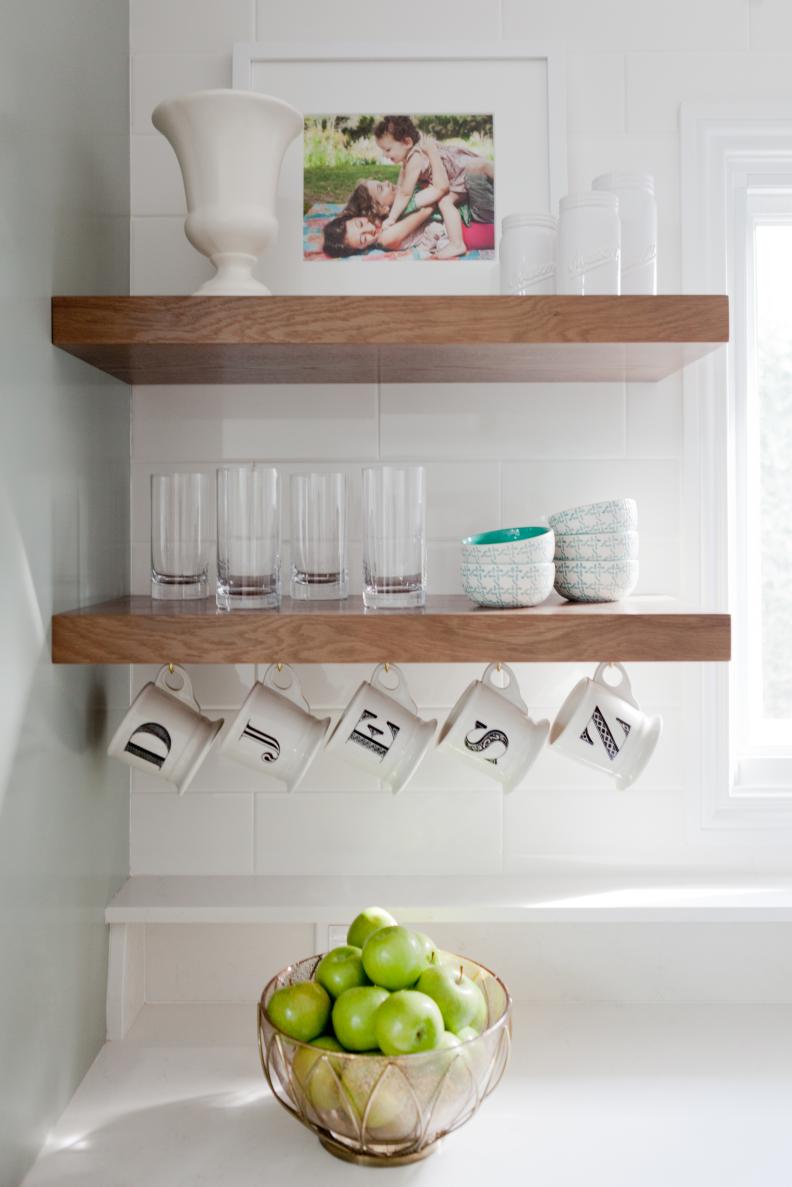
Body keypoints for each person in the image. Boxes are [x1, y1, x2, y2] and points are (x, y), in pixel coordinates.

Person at [373, 115, 494, 259]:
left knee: (445, 202)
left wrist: (392, 218)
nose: (385, 155)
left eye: (388, 149)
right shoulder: (410, 157)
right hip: (457, 175)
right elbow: (402, 186)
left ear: (407, 142)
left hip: (458, 175)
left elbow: (404, 193)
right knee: (449, 199)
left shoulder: (415, 157)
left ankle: (457, 244)